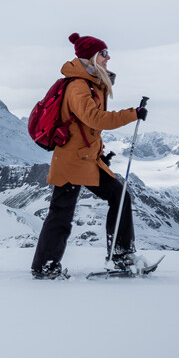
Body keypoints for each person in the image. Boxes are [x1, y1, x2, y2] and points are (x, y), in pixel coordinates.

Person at [31, 33, 148, 279]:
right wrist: (131, 114)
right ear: (92, 57)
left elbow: (86, 129)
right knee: (61, 212)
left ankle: (122, 254)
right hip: (72, 161)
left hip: (87, 159)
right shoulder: (78, 86)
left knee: (118, 195)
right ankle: (45, 267)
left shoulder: (90, 83)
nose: (108, 58)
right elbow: (93, 119)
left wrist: (100, 154)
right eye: (104, 54)